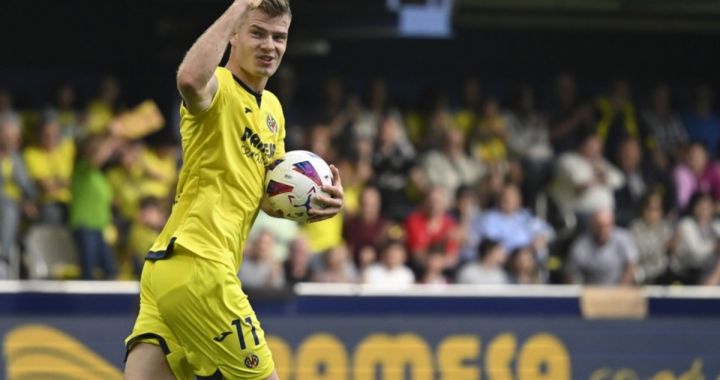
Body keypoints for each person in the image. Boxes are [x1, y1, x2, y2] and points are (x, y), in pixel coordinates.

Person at [124, 1, 345, 379]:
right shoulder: (217, 88)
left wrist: (315, 204)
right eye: (257, 33)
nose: (269, 46)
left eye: (279, 37)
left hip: (168, 269)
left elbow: (267, 195)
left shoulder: (272, 109)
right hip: (200, 264)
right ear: (234, 36)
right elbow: (190, 81)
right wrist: (240, 5)